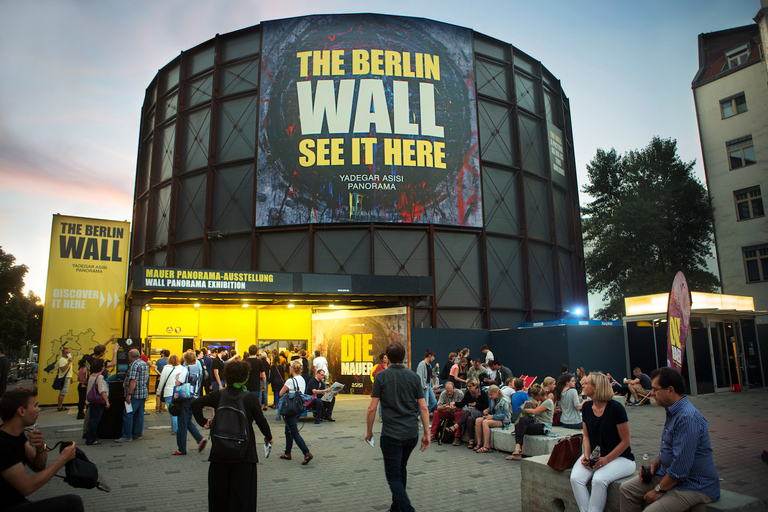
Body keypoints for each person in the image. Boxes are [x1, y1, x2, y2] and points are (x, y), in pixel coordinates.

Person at [620, 367, 719, 512]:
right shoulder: (673, 410)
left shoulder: (687, 418)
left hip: (694, 484)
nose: (652, 393)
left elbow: (681, 466)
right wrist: (654, 465)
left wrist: (658, 490)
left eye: (655, 389)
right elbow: (671, 449)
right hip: (668, 474)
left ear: (670, 390)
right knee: (626, 490)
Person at [192, 360, 273, 512]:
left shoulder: (218, 395)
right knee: (243, 497)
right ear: (245, 378)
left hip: (219, 453)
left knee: (219, 497)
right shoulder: (250, 398)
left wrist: (204, 422)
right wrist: (269, 437)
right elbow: (261, 420)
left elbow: (195, 404)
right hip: (245, 454)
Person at [365, 341, 430, 512]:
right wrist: (427, 433)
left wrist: (369, 431)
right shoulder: (413, 377)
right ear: (403, 356)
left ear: (387, 357)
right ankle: (396, 507)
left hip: (391, 435)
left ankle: (407, 508)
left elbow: (372, 408)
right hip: (411, 433)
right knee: (401, 469)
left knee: (393, 475)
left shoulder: (381, 377)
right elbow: (423, 407)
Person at [0, 386, 84, 512]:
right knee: (73, 503)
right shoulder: (3, 444)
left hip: (18, 502)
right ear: (21, 411)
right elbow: (27, 487)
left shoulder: (18, 435)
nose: (39, 409)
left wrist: (40, 448)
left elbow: (38, 466)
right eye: (35, 405)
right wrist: (62, 460)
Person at [570, 372, 635, 512]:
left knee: (599, 480)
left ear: (595, 388)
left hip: (621, 458)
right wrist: (586, 455)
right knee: (576, 478)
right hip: (595, 455)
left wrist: (606, 460)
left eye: (586, 383)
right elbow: (586, 436)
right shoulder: (587, 407)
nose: (583, 385)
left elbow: (626, 441)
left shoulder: (616, 409)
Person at [507, 383, 555, 460]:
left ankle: (518, 450)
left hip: (544, 426)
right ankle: (518, 447)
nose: (533, 398)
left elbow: (535, 411)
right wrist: (531, 404)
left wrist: (524, 409)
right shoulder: (540, 401)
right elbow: (537, 408)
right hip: (536, 422)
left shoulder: (548, 402)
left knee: (519, 426)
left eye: (534, 397)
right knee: (520, 423)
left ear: (539, 396)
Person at [278, 359, 312, 464]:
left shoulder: (290, 381)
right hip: (298, 407)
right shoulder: (302, 379)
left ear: (292, 369)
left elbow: (281, 393)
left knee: (294, 432)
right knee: (288, 430)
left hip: (290, 409)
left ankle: (306, 453)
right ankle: (287, 452)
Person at [172, 350, 204, 455]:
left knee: (182, 423)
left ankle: (181, 448)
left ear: (185, 360)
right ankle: (200, 439)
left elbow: (178, 382)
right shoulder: (199, 369)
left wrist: (177, 377)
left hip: (185, 397)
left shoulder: (185, 370)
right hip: (195, 397)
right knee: (188, 421)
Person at [116, 348, 149, 443]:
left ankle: (127, 435)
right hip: (142, 392)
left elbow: (133, 380)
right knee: (139, 414)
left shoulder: (134, 365)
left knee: (128, 414)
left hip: (134, 393)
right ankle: (137, 434)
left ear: (130, 356)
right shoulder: (144, 363)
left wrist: (129, 394)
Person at [452, 377, 489, 449]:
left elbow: (486, 406)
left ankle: (456, 425)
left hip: (481, 412)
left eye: (470, 386)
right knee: (469, 418)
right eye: (467, 386)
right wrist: (454, 403)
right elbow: (462, 404)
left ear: (476, 386)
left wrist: (476, 405)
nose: (468, 388)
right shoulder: (468, 394)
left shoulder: (483, 394)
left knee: (468, 409)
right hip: (472, 413)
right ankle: (471, 440)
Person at [473, 384, 510, 453]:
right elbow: (490, 408)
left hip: (503, 421)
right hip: (494, 417)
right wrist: (487, 410)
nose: (490, 396)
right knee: (478, 420)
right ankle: (479, 443)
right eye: (489, 395)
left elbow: (505, 415)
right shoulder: (493, 400)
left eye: (491, 395)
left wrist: (492, 417)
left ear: (496, 393)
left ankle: (486, 445)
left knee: (485, 422)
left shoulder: (504, 401)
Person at [85, 358, 110, 445]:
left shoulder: (92, 376)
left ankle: (91, 436)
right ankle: (91, 439)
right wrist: (106, 401)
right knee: (95, 420)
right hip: (98, 402)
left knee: (92, 419)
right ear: (101, 367)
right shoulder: (100, 377)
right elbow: (102, 390)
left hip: (92, 401)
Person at [157, 354, 183, 435]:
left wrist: (159, 391)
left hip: (168, 392)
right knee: (177, 410)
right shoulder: (181, 368)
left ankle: (175, 429)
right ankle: (176, 427)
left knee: (172, 411)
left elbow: (162, 381)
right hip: (178, 392)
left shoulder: (166, 368)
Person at [416, 349, 437, 413]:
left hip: (428, 385)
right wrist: (423, 386)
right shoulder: (422, 364)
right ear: (429, 356)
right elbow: (419, 376)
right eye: (433, 357)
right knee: (425, 402)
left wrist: (435, 369)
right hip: (424, 386)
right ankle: (422, 414)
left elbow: (431, 375)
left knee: (434, 401)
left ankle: (424, 413)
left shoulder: (429, 365)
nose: (433, 358)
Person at [55, 347, 73, 412]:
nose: (68, 354)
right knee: (62, 392)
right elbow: (63, 369)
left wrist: (71, 377)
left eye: (69, 352)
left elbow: (69, 370)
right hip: (64, 378)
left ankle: (60, 405)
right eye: (67, 353)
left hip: (67, 377)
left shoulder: (66, 360)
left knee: (64, 392)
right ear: (63, 353)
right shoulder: (62, 360)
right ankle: (59, 406)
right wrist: (68, 363)